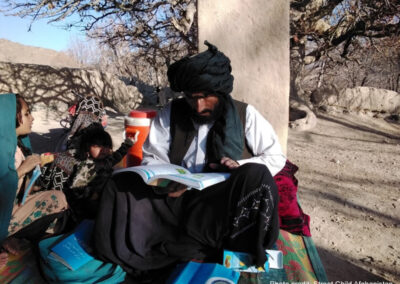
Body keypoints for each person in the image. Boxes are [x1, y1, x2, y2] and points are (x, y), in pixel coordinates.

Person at [94, 41, 286, 279]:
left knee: (257, 177)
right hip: (176, 198)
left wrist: (239, 167)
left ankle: (233, 249)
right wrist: (166, 180)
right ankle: (136, 252)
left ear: (220, 92)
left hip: (221, 203)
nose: (199, 105)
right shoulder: (171, 113)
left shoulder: (245, 114)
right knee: (118, 185)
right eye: (192, 97)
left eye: (206, 97)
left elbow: (276, 157)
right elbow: (153, 156)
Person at [0, 94, 68, 269]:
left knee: (58, 198)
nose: (32, 118)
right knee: (55, 201)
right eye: (27, 113)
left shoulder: (17, 145)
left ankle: (39, 246)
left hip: (12, 208)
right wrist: (23, 169)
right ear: (12, 118)